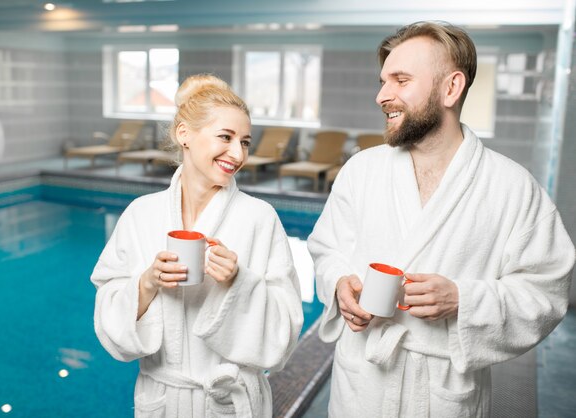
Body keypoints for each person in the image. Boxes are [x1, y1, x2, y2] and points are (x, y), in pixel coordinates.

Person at [307, 21, 575, 418]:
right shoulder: (360, 170)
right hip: (361, 387)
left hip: (443, 397)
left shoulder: (512, 187)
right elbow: (326, 250)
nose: (383, 95)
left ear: (451, 88)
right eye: (383, 81)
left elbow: (547, 293)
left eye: (400, 80)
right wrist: (339, 285)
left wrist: (463, 301)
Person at [91, 74, 303, 417]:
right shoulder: (140, 214)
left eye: (245, 142)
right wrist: (146, 283)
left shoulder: (259, 218)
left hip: (227, 405)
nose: (237, 154)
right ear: (184, 134)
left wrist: (239, 281)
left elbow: (286, 330)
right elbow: (107, 312)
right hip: (162, 401)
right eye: (226, 137)